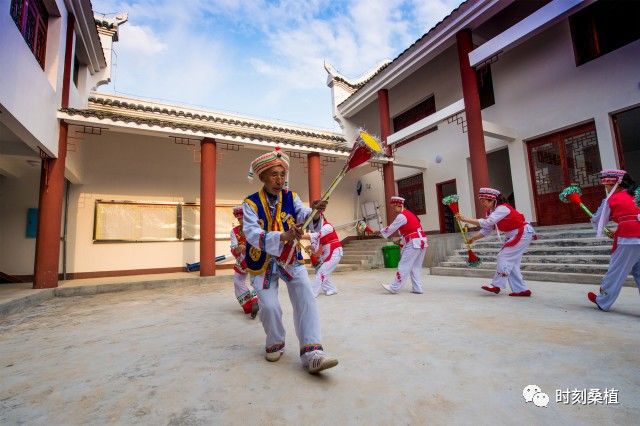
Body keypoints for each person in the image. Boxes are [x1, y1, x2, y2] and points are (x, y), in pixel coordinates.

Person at [242, 147, 338, 374]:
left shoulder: (291, 197)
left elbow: (303, 214)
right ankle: (275, 341)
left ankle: (313, 353)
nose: (279, 179)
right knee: (270, 307)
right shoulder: (251, 203)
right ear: (262, 176)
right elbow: (252, 233)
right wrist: (282, 236)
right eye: (274, 174)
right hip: (262, 262)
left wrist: (314, 212)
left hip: (289, 259)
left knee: (306, 297)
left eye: (282, 174)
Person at [457, 187, 536, 297]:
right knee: (511, 263)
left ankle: (496, 285)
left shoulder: (502, 208)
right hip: (515, 234)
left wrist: (466, 219)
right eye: (481, 201)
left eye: (484, 201)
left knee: (503, 257)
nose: (482, 204)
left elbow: (488, 222)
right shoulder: (491, 211)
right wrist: (474, 238)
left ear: (492, 199)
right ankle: (521, 290)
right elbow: (487, 228)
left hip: (521, 233)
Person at [587, 169, 640, 311]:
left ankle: (603, 300)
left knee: (616, 271)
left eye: (607, 186)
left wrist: (595, 221)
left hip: (628, 238)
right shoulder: (638, 194)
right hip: (632, 233)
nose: (606, 189)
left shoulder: (612, 199)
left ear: (616, 184)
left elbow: (597, 220)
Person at [378, 196, 427, 294]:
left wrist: (379, 232)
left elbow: (391, 228)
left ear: (399, 205)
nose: (393, 209)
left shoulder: (402, 215)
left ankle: (394, 287)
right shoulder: (411, 214)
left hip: (413, 242)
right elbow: (414, 229)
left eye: (394, 207)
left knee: (404, 265)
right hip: (422, 241)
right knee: (415, 266)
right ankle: (417, 288)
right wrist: (401, 239)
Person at [302, 214, 343, 297]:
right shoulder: (315, 231)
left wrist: (300, 236)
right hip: (327, 254)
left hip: (335, 252)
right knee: (321, 272)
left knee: (321, 272)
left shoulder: (328, 226)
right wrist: (310, 247)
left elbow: (317, 236)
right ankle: (331, 289)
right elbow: (315, 248)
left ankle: (313, 293)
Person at [230, 206, 259, 319]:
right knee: (238, 281)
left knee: (257, 280)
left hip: (256, 258)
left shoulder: (255, 228)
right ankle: (250, 304)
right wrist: (237, 249)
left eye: (242, 218)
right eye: (238, 219)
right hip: (241, 260)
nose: (240, 221)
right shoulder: (234, 231)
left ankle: (256, 301)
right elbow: (233, 247)